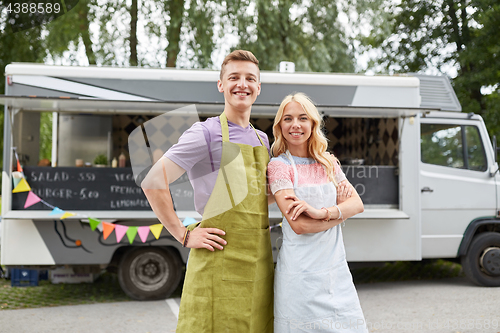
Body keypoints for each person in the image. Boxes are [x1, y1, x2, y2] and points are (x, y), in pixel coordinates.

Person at [141, 50, 274, 332]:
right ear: (220, 84)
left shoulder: (262, 139)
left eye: (250, 78)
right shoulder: (205, 133)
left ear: (258, 87)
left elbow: (259, 197)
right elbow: (153, 181)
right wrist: (182, 233)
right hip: (217, 259)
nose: (243, 84)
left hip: (258, 262)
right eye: (234, 77)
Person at [267, 93, 368, 332]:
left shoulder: (328, 163)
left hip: (335, 271)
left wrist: (320, 213)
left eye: (303, 118)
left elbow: (358, 204)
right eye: (288, 118)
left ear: (313, 124)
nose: (295, 125)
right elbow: (300, 226)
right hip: (300, 275)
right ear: (280, 125)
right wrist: (340, 212)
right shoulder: (279, 167)